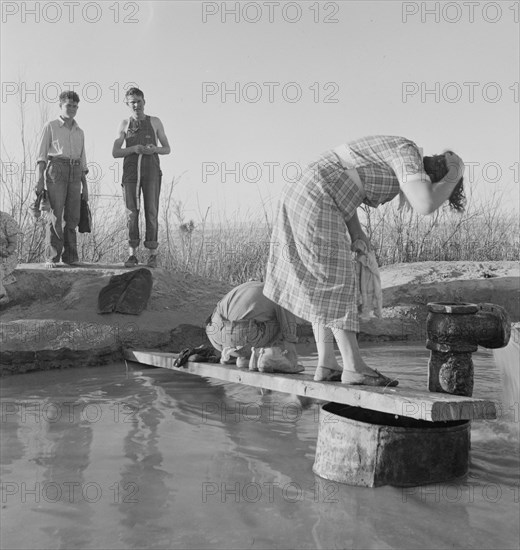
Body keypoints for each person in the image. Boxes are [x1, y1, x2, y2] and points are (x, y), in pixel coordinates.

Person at [263, 135, 465, 386]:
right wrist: (456, 173)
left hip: (312, 194)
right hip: (317, 197)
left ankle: (327, 363)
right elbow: (425, 204)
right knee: (336, 283)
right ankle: (354, 367)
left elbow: (347, 181)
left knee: (322, 280)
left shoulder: (399, 157)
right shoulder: (407, 152)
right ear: (433, 180)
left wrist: (356, 231)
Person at [112, 88, 171, 268]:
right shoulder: (124, 124)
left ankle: (153, 254)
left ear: (144, 101)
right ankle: (132, 254)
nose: (136, 105)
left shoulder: (155, 122)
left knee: (151, 211)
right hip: (131, 173)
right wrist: (133, 148)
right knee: (131, 212)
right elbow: (115, 151)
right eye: (132, 102)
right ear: (127, 104)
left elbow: (167, 148)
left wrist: (154, 149)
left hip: (151, 171)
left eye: (139, 101)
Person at [36, 91, 89, 268]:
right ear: (61, 106)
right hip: (56, 168)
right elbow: (42, 156)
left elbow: (83, 161)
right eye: (68, 105)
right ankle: (52, 257)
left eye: (75, 106)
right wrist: (39, 180)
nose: (72, 109)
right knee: (56, 214)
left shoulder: (80, 131)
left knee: (72, 215)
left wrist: (85, 187)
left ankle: (71, 257)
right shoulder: (51, 126)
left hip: (75, 170)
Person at [205, 280, 301, 369]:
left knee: (257, 317)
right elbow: (289, 334)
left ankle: (244, 359)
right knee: (283, 322)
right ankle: (269, 357)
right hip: (239, 337)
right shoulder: (282, 293)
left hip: (214, 335)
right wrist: (292, 359)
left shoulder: (253, 284)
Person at [0, 211, 21, 305]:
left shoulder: (5, 219)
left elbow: (13, 244)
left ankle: (2, 295)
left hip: (5, 256)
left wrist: (6, 251)